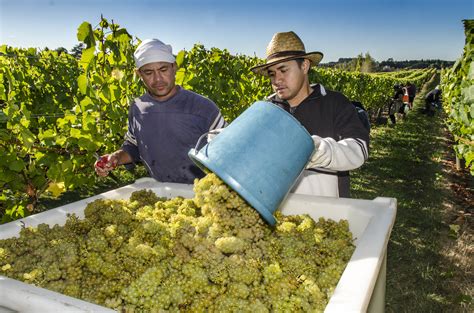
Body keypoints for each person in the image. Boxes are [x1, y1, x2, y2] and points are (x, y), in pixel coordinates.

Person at [250, 31, 369, 198]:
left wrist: (315, 150)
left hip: (327, 214)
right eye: (272, 74)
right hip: (278, 216)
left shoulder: (335, 103)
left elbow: (359, 149)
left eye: (283, 70)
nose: (277, 80)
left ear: (304, 66)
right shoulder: (266, 110)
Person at [94, 39, 226, 184]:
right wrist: (116, 158)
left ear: (174, 67)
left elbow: (228, 149)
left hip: (202, 195)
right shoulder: (137, 108)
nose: (157, 79)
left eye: (163, 70)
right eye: (148, 72)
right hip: (163, 194)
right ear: (139, 74)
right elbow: (133, 147)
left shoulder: (203, 107)